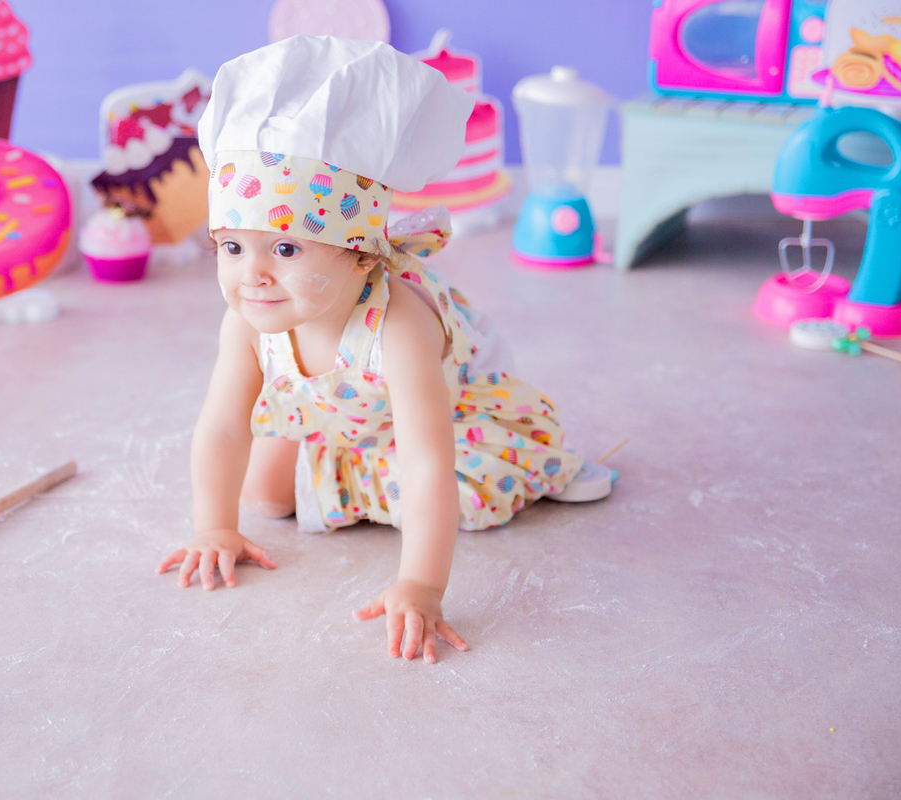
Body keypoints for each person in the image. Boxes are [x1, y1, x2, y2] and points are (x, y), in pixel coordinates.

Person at [157, 36, 614, 663]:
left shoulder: (395, 326)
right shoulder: (246, 323)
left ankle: (529, 467)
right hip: (347, 416)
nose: (251, 275)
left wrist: (421, 584)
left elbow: (428, 459)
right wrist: (214, 525)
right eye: (232, 247)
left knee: (471, 500)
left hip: (438, 423)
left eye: (286, 249)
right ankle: (327, 439)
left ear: (361, 253)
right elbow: (221, 428)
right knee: (266, 498)